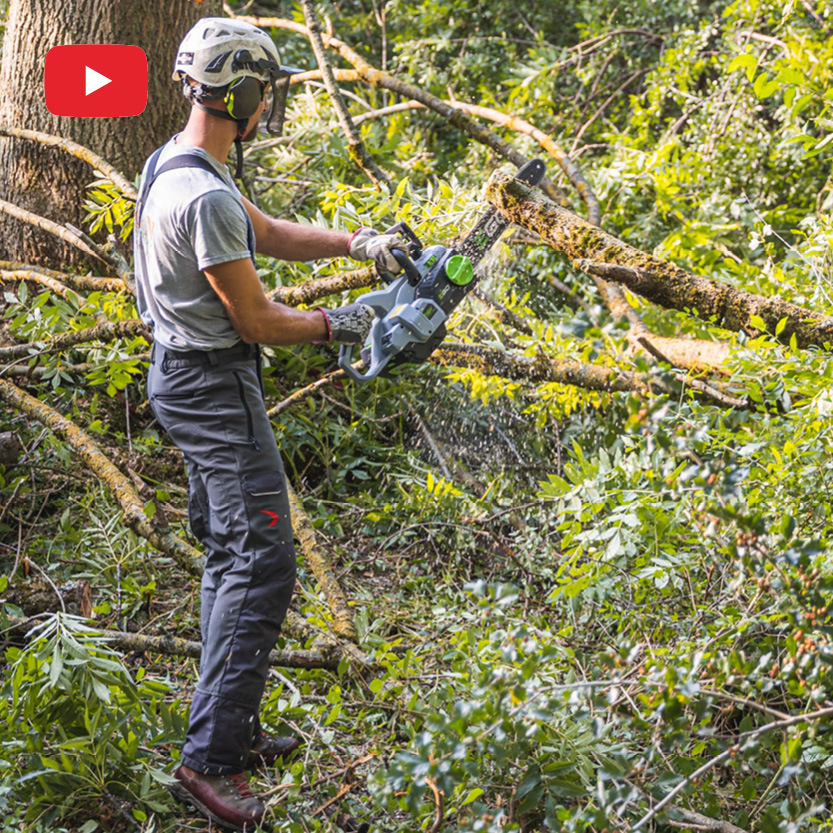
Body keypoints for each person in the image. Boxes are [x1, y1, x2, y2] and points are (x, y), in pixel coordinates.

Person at [133, 17, 406, 832]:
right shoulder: (205, 194)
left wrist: (361, 244)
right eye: (265, 93)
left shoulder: (175, 165)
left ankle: (231, 725)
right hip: (213, 385)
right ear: (245, 94)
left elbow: (270, 233)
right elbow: (256, 321)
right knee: (264, 561)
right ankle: (208, 761)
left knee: (231, 553)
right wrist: (341, 323)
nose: (268, 107)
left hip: (183, 377)